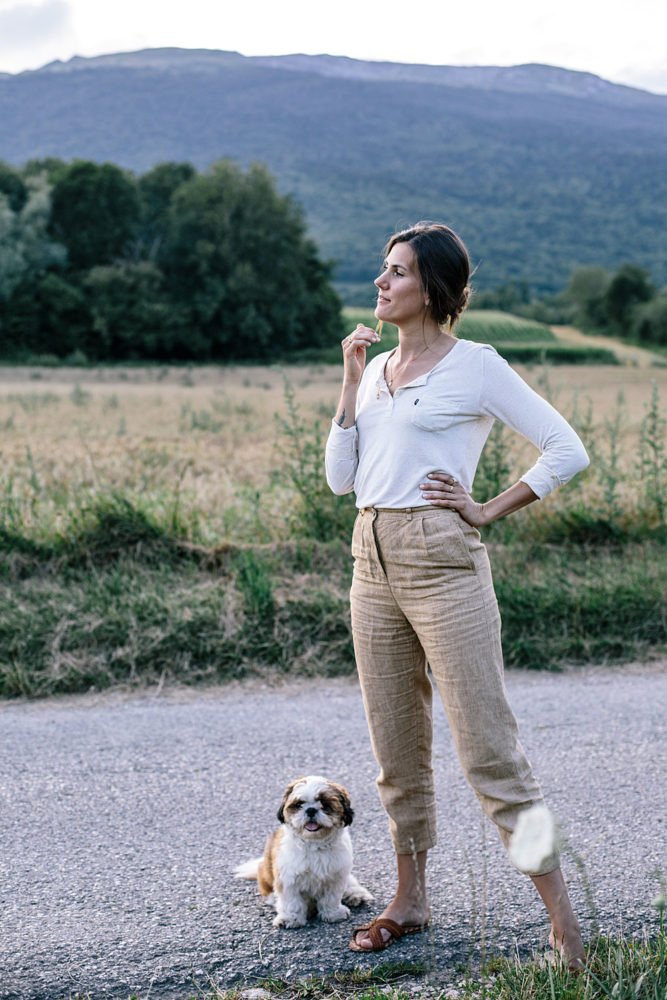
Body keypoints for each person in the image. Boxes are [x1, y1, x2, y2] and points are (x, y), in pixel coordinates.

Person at [324, 221, 589, 968]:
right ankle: (409, 900)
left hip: (443, 562)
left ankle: (565, 929)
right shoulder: (374, 372)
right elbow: (340, 480)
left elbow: (568, 448)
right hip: (369, 558)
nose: (380, 283)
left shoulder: (475, 366)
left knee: (492, 758)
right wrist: (349, 382)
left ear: (432, 289)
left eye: (397, 272)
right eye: (382, 269)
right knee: (396, 756)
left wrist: (485, 508)